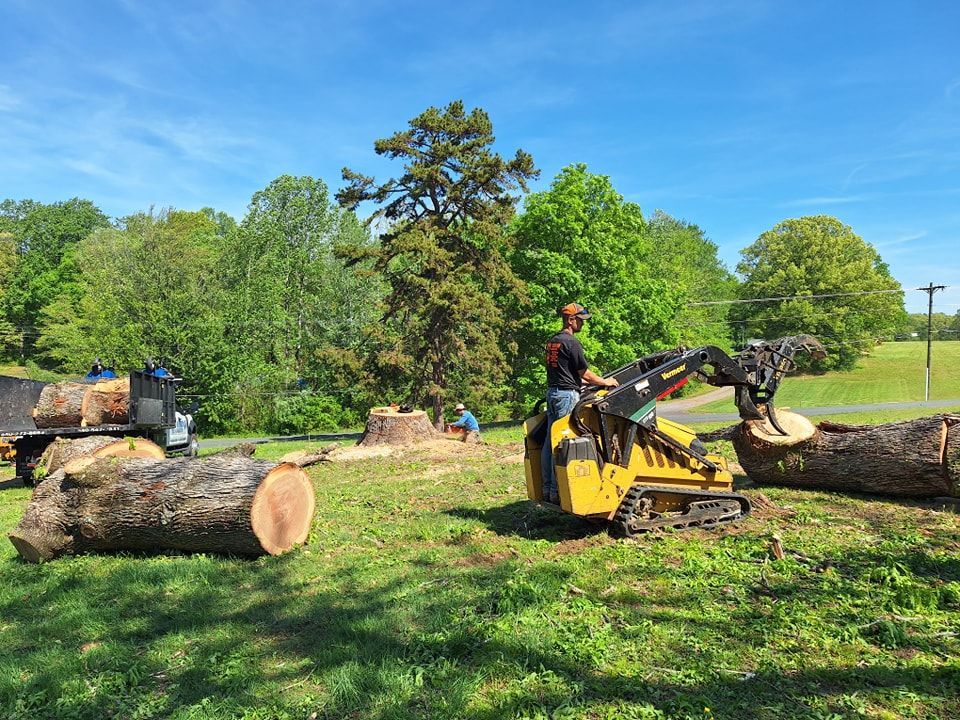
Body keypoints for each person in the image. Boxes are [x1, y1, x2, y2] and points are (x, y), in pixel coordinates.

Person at [541, 302, 619, 504]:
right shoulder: (571, 343)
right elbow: (585, 374)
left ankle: (548, 490)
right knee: (563, 444)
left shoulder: (553, 342)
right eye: (581, 320)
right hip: (567, 396)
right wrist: (606, 382)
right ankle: (559, 493)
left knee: (550, 442)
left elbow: (567, 373)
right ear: (571, 319)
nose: (583, 325)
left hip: (553, 393)